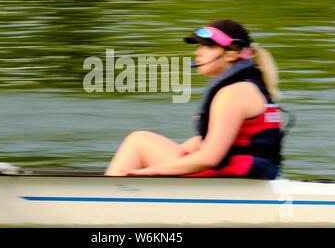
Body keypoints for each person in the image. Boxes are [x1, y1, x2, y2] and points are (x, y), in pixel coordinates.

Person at [105, 19, 283, 179]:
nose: (198, 53)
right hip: (253, 174)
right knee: (181, 146)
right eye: (199, 46)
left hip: (236, 176)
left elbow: (209, 158)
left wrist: (153, 170)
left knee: (139, 141)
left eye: (208, 46)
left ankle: (108, 199)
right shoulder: (251, 87)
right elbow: (214, 142)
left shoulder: (233, 93)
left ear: (232, 53)